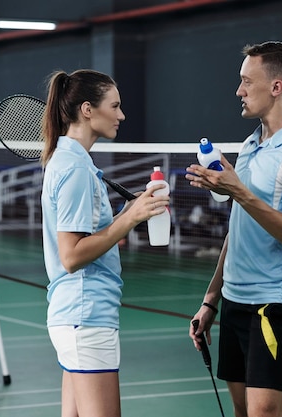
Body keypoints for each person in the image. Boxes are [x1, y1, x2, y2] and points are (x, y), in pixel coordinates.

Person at [186, 41, 282, 417]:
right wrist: (211, 300)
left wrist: (239, 191)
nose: (239, 91)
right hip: (233, 300)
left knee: (262, 412)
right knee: (240, 410)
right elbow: (239, 227)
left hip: (272, 304)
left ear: (277, 87)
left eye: (247, 81)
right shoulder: (250, 145)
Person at [40, 69, 170, 417]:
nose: (121, 115)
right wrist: (129, 219)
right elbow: (71, 256)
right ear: (87, 110)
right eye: (115, 106)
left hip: (76, 317)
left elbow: (85, 239)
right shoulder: (75, 169)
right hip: (86, 316)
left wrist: (126, 214)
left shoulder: (70, 161)